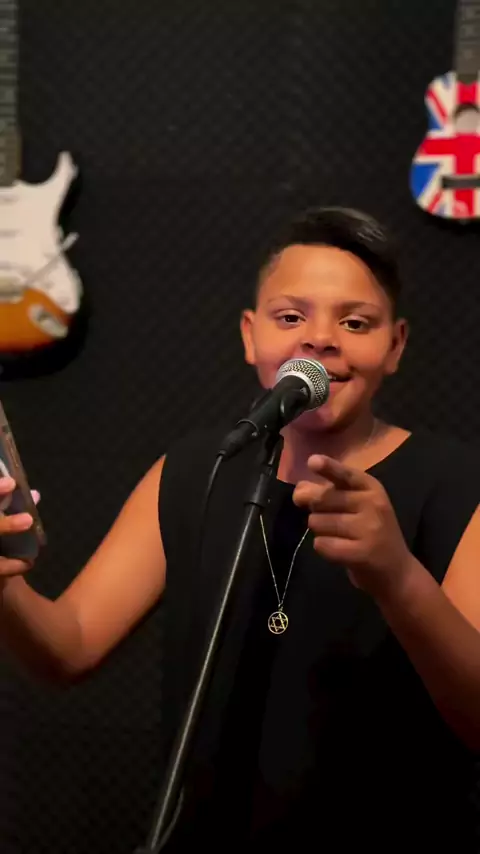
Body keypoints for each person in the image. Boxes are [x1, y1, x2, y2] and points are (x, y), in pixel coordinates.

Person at [0, 206, 479, 851]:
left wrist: (398, 578)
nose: (320, 339)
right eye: (291, 317)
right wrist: (5, 584)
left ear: (394, 346)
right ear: (251, 337)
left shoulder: (456, 485)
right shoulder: (198, 469)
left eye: (355, 322)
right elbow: (68, 648)